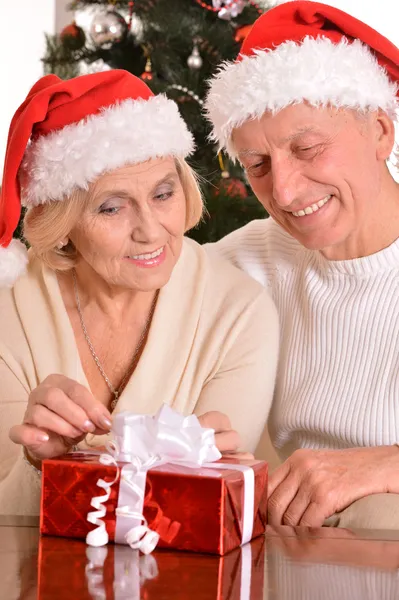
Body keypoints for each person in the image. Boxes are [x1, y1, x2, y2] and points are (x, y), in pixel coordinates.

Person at [0, 70, 279, 515]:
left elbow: (202, 512)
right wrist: (38, 463)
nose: (151, 231)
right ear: (64, 225)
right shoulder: (10, 306)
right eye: (112, 207)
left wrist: (217, 473)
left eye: (163, 194)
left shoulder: (238, 311)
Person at [205, 0, 399, 529]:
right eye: (259, 165)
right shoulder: (244, 262)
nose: (284, 191)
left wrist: (385, 465)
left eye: (308, 148)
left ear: (381, 131)